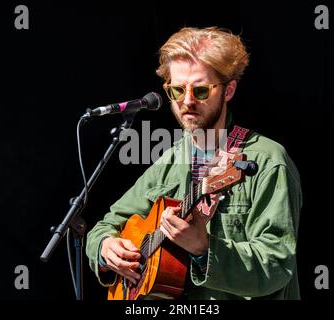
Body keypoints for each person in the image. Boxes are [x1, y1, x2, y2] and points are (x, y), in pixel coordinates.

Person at [85, 26, 302, 300]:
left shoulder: (268, 160)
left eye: (200, 90)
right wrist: (105, 248)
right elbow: (105, 227)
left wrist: (204, 249)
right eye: (177, 90)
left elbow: (277, 264)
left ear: (229, 90)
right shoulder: (171, 159)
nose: (187, 101)